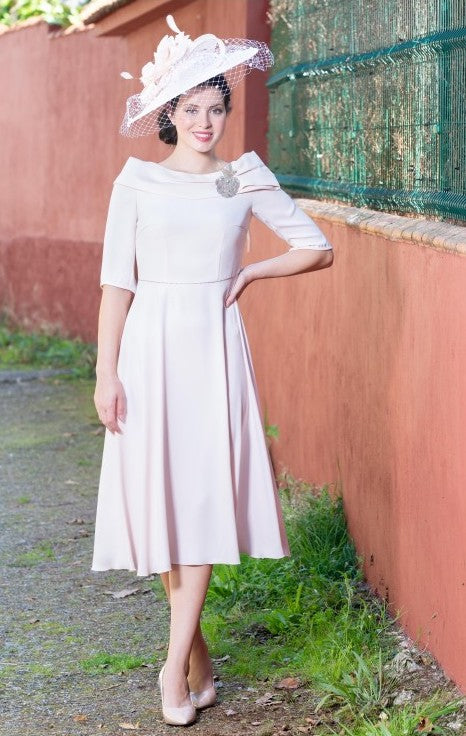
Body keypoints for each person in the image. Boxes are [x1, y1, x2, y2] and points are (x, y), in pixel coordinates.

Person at [91, 15, 333, 727]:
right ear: (169, 113)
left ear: (228, 111)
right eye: (191, 109)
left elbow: (316, 248)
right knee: (164, 500)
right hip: (147, 346)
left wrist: (253, 271)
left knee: (196, 501)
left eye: (216, 107)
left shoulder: (241, 180)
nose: (205, 121)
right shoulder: (135, 182)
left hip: (213, 348)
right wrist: (106, 373)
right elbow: (115, 285)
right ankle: (197, 661)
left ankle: (171, 670)